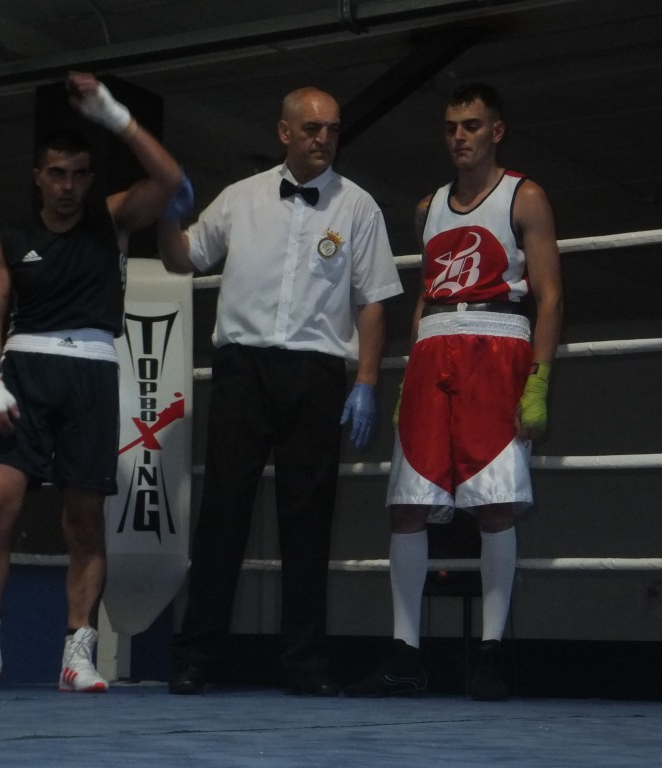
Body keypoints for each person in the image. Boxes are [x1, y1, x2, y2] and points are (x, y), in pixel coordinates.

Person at [0, 71, 184, 692]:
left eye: (79, 174)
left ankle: (78, 650)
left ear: (89, 178)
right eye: (57, 173)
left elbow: (171, 182)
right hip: (24, 371)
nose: (69, 186)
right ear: (38, 175)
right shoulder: (13, 238)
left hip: (93, 374)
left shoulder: (112, 221)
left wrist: (112, 112)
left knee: (83, 522)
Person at [157, 87, 403, 696]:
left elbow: (373, 302)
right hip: (243, 368)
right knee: (223, 516)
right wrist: (166, 214)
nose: (324, 138)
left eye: (333, 129)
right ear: (284, 132)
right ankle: (196, 658)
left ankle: (306, 664)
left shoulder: (359, 207)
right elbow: (185, 258)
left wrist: (366, 382)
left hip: (317, 374)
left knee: (309, 522)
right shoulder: (240, 199)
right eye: (313, 128)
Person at [345, 83, 563, 701]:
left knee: (493, 504)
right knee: (406, 505)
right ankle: (405, 654)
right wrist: (411, 366)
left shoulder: (526, 197)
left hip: (497, 345)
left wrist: (539, 381)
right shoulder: (428, 207)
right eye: (450, 127)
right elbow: (426, 291)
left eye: (471, 125)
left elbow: (549, 294)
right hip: (435, 347)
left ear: (496, 131)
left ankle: (491, 653)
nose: (459, 137)